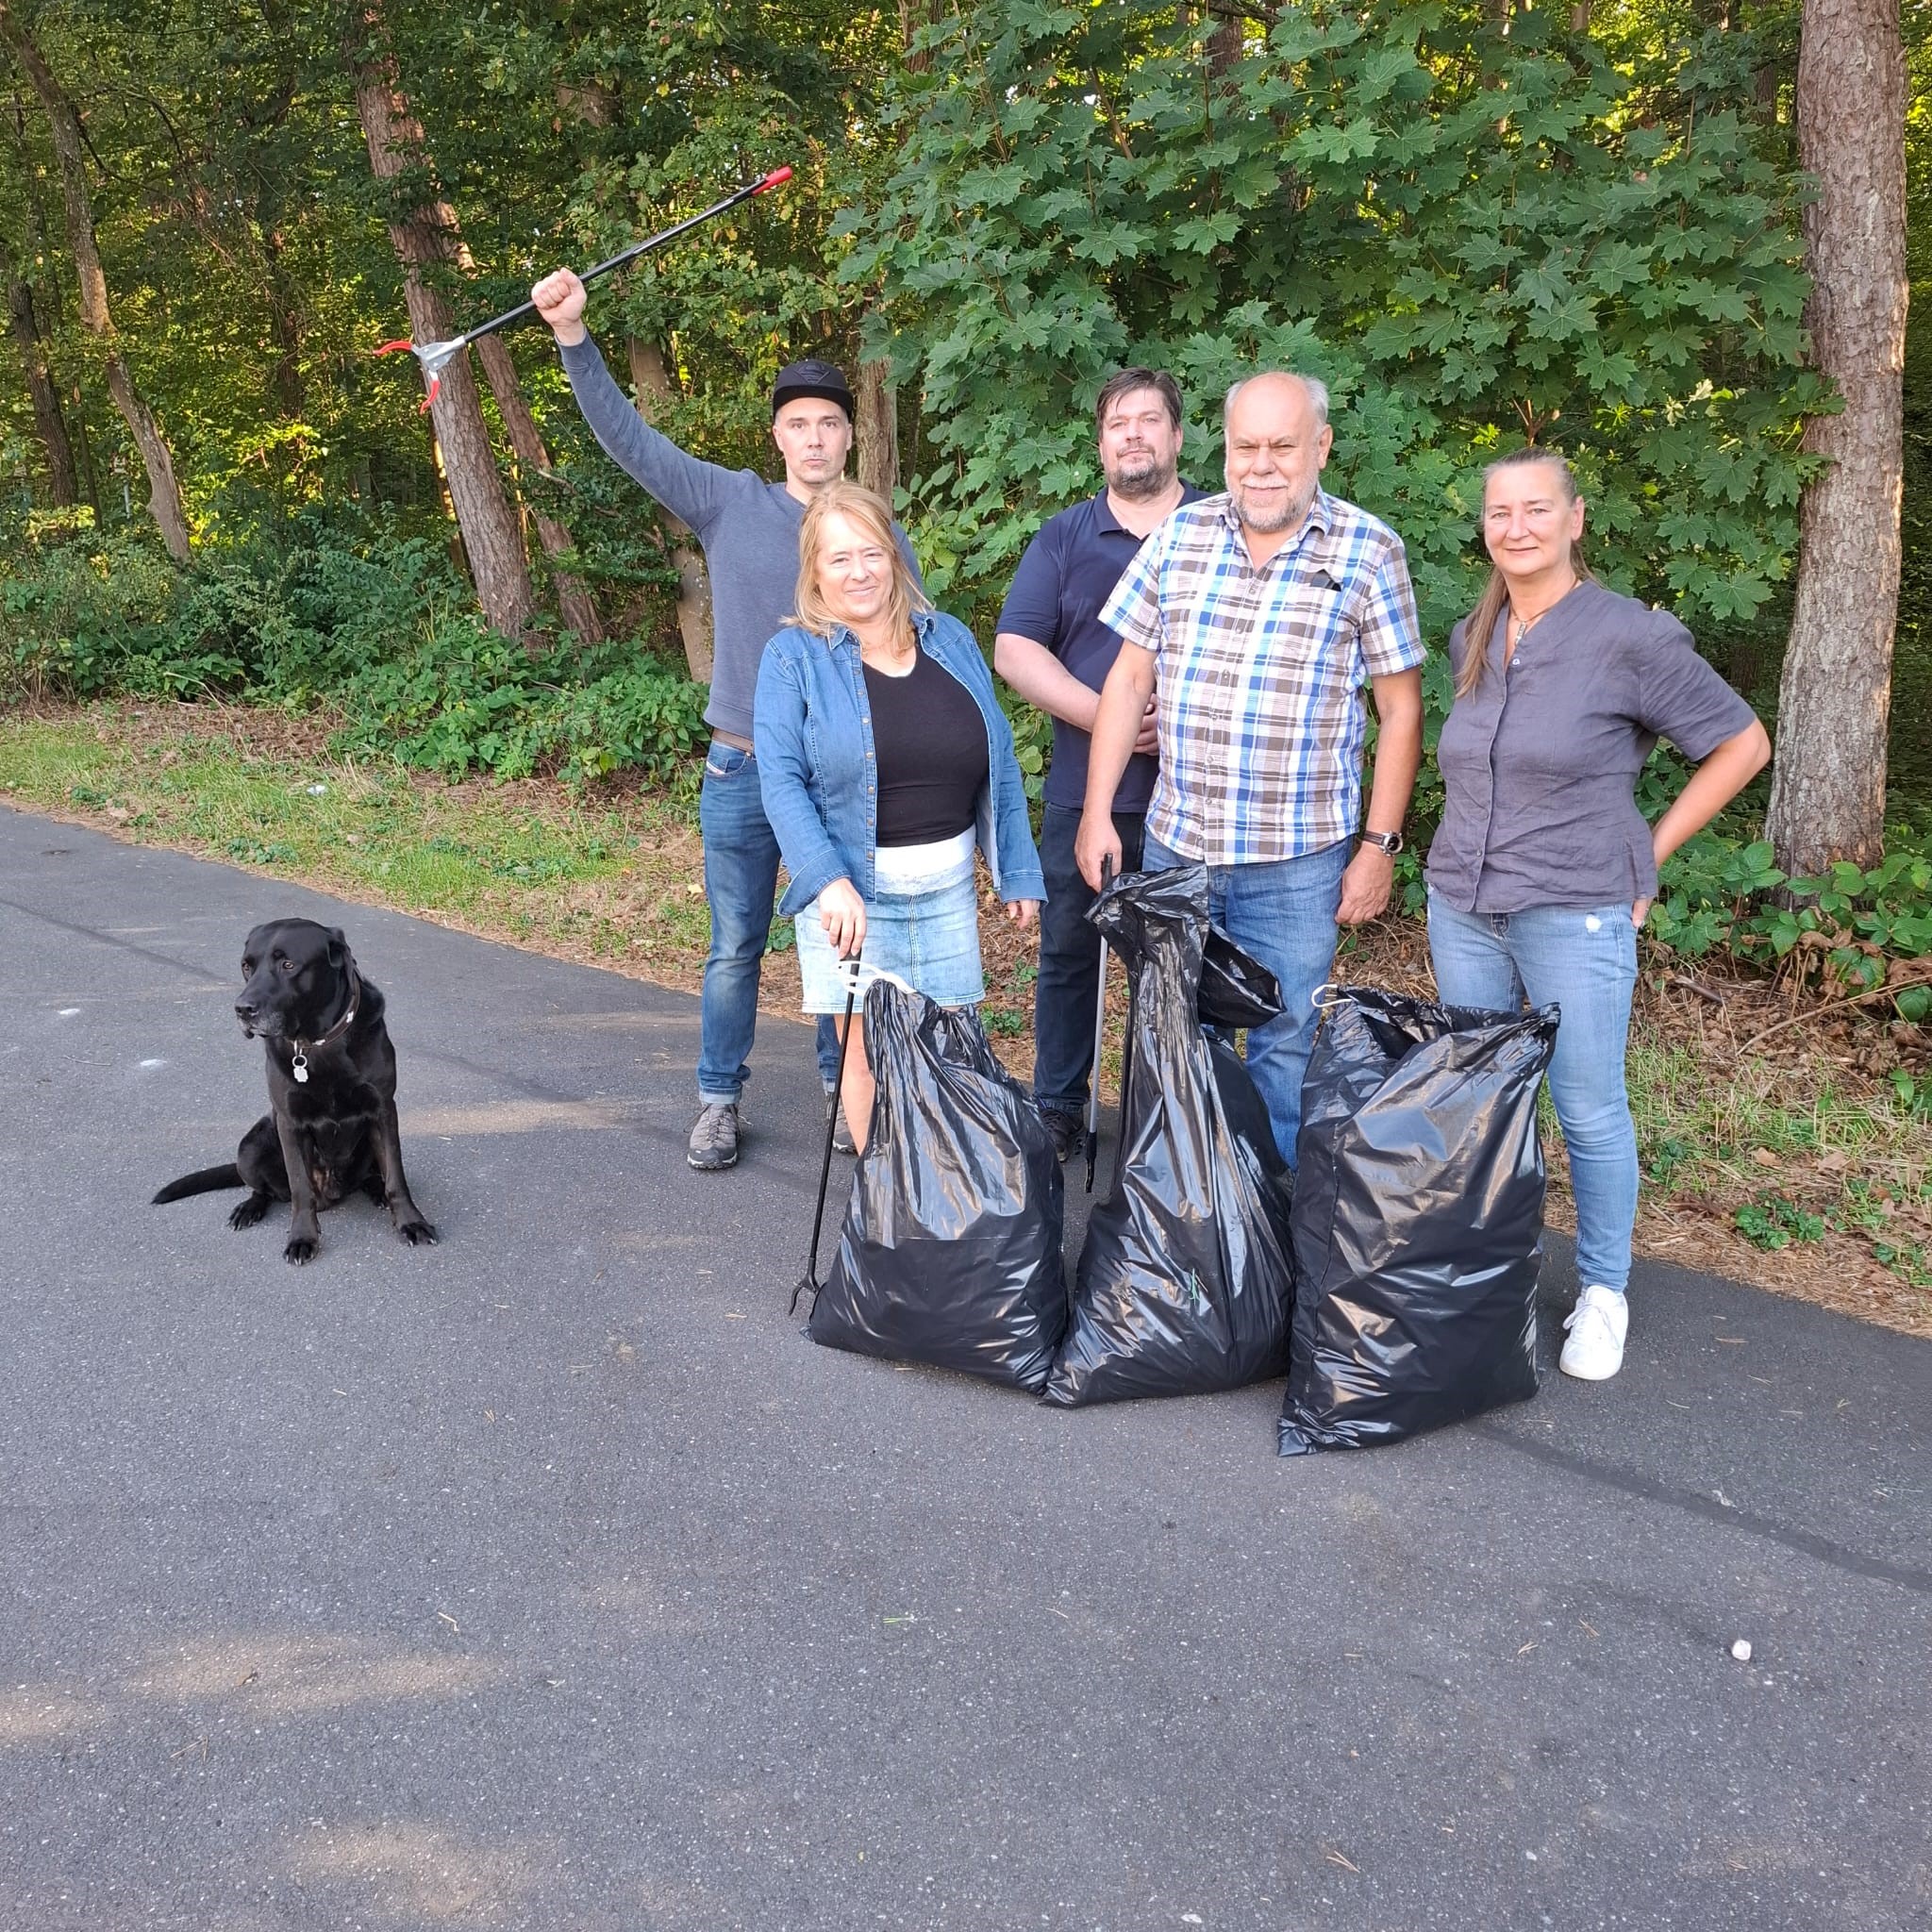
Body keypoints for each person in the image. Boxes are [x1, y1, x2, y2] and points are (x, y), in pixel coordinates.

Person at [529, 266, 920, 1172]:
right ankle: (716, 1099)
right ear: (777, 435)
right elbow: (628, 440)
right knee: (735, 943)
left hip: (838, 773)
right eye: (798, 424)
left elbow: (919, 636)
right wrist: (576, 340)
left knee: (841, 933)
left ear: (848, 436)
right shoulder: (727, 501)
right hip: (743, 767)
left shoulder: (869, 528)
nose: (814, 438)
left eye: (829, 423)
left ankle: (841, 1085)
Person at [1426, 447, 1771, 1382]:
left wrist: (1646, 852)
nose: (1515, 526)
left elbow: (1742, 743)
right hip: (1461, 902)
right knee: (1486, 1102)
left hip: (1572, 907)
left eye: (1536, 508)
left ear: (1575, 519)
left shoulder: (1629, 638)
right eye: (1498, 511)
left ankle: (1602, 1291)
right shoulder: (1473, 635)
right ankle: (1490, 1269)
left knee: (1583, 1106)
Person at [1074, 371, 1425, 1164]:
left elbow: (1401, 711)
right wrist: (1098, 811)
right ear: (1223, 450)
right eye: (1245, 447)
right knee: (1175, 1042)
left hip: (1297, 867)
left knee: (1284, 1048)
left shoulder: (1370, 551)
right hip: (1179, 850)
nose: (1261, 465)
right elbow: (1129, 680)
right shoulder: (1180, 536)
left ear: (1321, 448)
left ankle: (1267, 1234)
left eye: (1282, 446)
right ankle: (1177, 1225)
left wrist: (1380, 845)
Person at [754, 482, 1044, 1153]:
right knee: (864, 1057)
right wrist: (826, 879)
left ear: (894, 555)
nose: (859, 572)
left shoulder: (952, 639)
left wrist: (1017, 870)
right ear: (814, 572)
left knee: (953, 1051)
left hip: (946, 891)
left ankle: (951, 1199)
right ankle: (888, 1207)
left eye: (871, 553)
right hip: (851, 897)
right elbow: (782, 781)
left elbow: (998, 755)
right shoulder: (792, 659)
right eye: (838, 559)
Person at [993, 368, 1205, 1161]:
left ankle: (1171, 1124)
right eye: (1120, 423)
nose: (1135, 434)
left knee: (1180, 975)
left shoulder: (1219, 530)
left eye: (1151, 420)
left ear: (1178, 437)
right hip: (1088, 791)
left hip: (1196, 802)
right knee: (1068, 958)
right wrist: (1107, 716)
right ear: (1101, 444)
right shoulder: (1065, 537)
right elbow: (1015, 648)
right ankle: (1058, 1106)